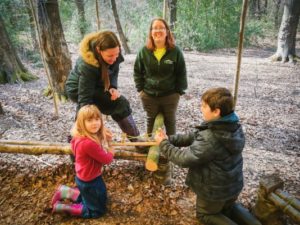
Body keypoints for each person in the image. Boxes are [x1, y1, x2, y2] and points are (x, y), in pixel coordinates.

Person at [155, 87, 246, 225]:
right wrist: (169, 139)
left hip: (215, 191)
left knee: (205, 214)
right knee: (228, 208)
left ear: (216, 111)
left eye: (204, 106)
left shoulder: (211, 138)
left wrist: (163, 144)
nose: (201, 109)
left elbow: (184, 159)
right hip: (233, 184)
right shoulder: (231, 125)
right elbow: (195, 136)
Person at [66, 31, 141, 144]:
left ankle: (137, 141)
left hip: (97, 84)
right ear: (98, 50)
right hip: (77, 88)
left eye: (116, 54)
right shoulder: (87, 64)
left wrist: (113, 87)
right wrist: (96, 125)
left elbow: (114, 69)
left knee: (119, 102)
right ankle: (77, 149)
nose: (114, 58)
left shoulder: (114, 51)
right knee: (88, 112)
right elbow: (85, 99)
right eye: (110, 56)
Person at [51, 104, 114, 218]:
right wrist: (110, 146)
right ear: (82, 123)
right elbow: (107, 159)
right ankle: (62, 207)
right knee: (97, 210)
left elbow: (94, 144)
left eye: (97, 119)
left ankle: (65, 191)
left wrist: (103, 137)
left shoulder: (78, 137)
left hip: (82, 178)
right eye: (90, 120)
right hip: (92, 181)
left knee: (91, 196)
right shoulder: (88, 143)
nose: (95, 123)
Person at [133, 18, 187, 137]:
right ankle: (150, 150)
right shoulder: (144, 51)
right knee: (151, 124)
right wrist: (140, 90)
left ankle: (172, 149)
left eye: (161, 28)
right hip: (149, 95)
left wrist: (179, 92)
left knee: (170, 123)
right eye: (155, 28)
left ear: (167, 31)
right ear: (151, 32)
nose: (158, 30)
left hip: (170, 95)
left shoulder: (175, 51)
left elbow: (181, 72)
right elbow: (137, 71)